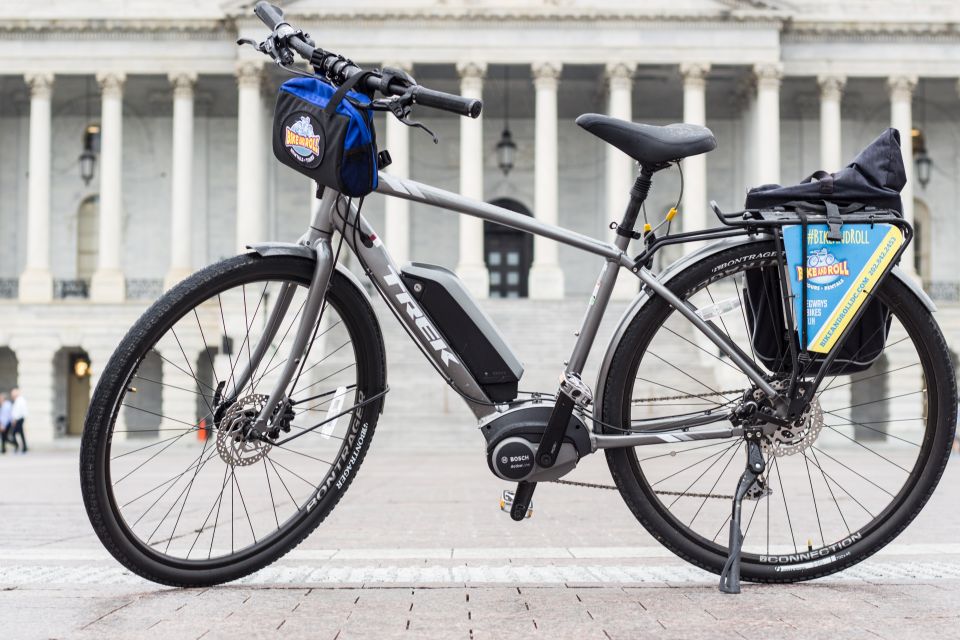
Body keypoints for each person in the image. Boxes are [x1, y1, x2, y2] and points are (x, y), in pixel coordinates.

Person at [9, 388, 27, 454]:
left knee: (13, 433)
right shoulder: (19, 400)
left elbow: (18, 412)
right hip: (19, 418)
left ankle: (18, 446)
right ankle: (24, 447)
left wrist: (15, 420)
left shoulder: (19, 400)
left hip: (18, 419)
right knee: (21, 434)